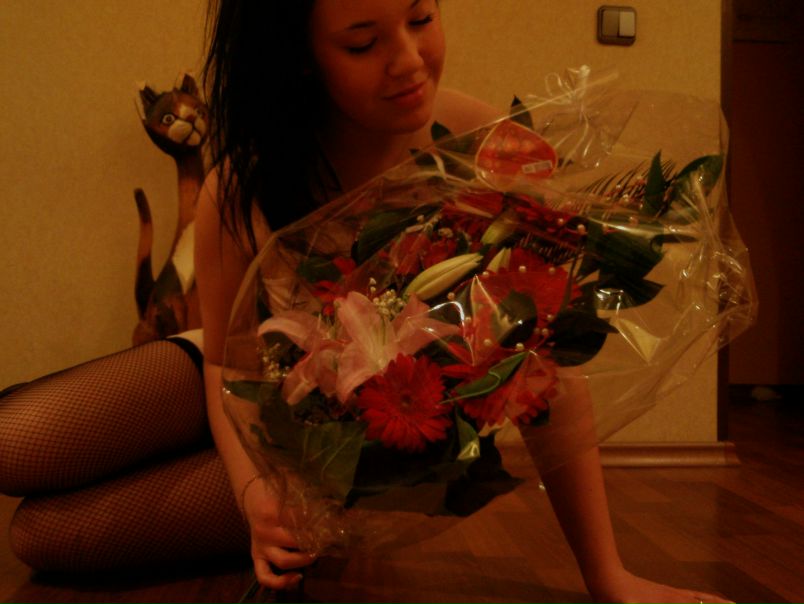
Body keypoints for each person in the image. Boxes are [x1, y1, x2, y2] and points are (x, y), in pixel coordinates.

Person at [0, 1, 732, 602]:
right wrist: (246, 484)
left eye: (421, 18)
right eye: (362, 42)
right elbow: (229, 368)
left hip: (320, 454)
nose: (409, 60)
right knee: (15, 440)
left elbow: (545, 372)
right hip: (237, 388)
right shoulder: (243, 183)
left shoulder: (482, 148)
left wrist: (609, 579)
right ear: (299, 57)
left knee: (42, 536)